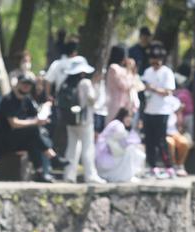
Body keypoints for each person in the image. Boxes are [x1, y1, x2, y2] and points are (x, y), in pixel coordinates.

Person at [0, 73, 56, 182]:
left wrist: (44, 115)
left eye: (29, 84)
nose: (26, 86)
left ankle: (41, 172)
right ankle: (51, 155)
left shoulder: (27, 99)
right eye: (24, 84)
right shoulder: (8, 99)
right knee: (33, 131)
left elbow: (36, 115)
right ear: (18, 83)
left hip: (18, 138)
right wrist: (35, 122)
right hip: (4, 140)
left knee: (35, 137)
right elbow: (14, 123)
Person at [61, 56, 104, 184]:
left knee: (71, 148)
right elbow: (92, 100)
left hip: (71, 121)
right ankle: (90, 175)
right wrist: (96, 86)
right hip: (85, 121)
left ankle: (69, 175)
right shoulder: (85, 82)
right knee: (88, 148)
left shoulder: (66, 83)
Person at [140, 42, 175, 178]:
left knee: (161, 140)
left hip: (162, 110)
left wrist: (153, 88)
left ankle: (168, 166)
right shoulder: (148, 72)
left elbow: (169, 91)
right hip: (149, 110)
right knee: (149, 140)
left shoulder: (167, 72)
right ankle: (152, 166)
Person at [96, 107, 145, 183]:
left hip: (104, 157)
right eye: (127, 116)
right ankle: (127, 177)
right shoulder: (118, 125)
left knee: (135, 151)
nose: (130, 119)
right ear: (122, 116)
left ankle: (126, 176)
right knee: (131, 150)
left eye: (131, 117)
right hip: (105, 157)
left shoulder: (115, 123)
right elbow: (127, 141)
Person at [104, 45, 137, 125]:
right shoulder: (114, 68)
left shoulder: (123, 69)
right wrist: (129, 70)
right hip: (115, 104)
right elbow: (124, 85)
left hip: (124, 105)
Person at [165, 95, 191, 176]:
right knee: (170, 143)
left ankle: (180, 165)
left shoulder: (175, 102)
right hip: (164, 133)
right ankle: (173, 166)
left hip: (175, 132)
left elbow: (179, 124)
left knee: (184, 142)